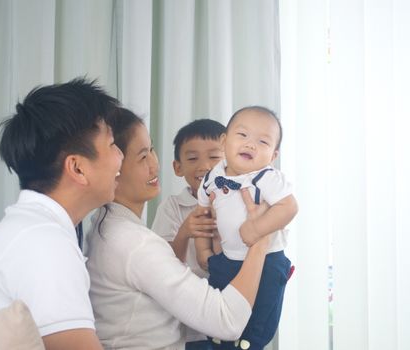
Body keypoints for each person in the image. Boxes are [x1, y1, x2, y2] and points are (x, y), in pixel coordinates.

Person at [85, 107, 272, 350]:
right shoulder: (135, 242)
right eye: (142, 157)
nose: (154, 165)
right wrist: (262, 235)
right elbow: (227, 320)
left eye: (151, 149)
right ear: (113, 167)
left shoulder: (105, 225)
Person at [0, 78, 123, 350]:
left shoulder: (29, 228)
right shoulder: (45, 245)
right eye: (111, 144)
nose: (121, 156)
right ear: (78, 168)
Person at [195, 106, 298, 350]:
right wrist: (202, 251)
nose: (251, 144)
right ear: (224, 140)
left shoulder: (267, 178)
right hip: (228, 257)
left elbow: (289, 207)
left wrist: (257, 229)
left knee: (262, 312)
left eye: (262, 141)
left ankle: (250, 342)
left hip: (268, 260)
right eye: (242, 135)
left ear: (273, 155)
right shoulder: (212, 177)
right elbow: (203, 213)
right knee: (222, 305)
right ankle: (222, 339)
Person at [152, 119, 226, 348]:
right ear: (178, 167)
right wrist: (185, 231)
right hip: (191, 325)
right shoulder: (171, 207)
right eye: (193, 158)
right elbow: (161, 267)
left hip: (231, 313)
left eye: (214, 157)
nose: (204, 166)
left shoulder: (241, 203)